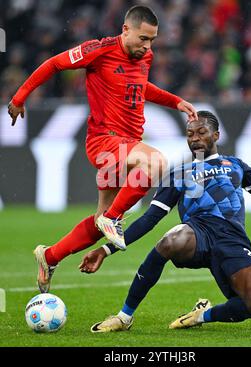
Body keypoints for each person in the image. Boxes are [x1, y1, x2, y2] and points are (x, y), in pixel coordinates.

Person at [7, 5, 198, 293]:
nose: (148, 46)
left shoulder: (144, 55)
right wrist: (20, 97)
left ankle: (49, 257)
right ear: (125, 29)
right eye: (143, 38)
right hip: (105, 142)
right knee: (157, 162)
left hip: (127, 144)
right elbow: (54, 64)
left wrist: (176, 102)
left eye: (153, 40)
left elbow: (140, 87)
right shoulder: (99, 50)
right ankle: (113, 219)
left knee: (99, 225)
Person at [79, 110, 251, 333]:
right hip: (198, 234)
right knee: (171, 240)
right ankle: (124, 317)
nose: (194, 138)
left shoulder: (236, 166)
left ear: (216, 135)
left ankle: (200, 315)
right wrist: (106, 250)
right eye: (190, 134)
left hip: (233, 239)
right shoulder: (179, 173)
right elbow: (150, 219)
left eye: (202, 132)